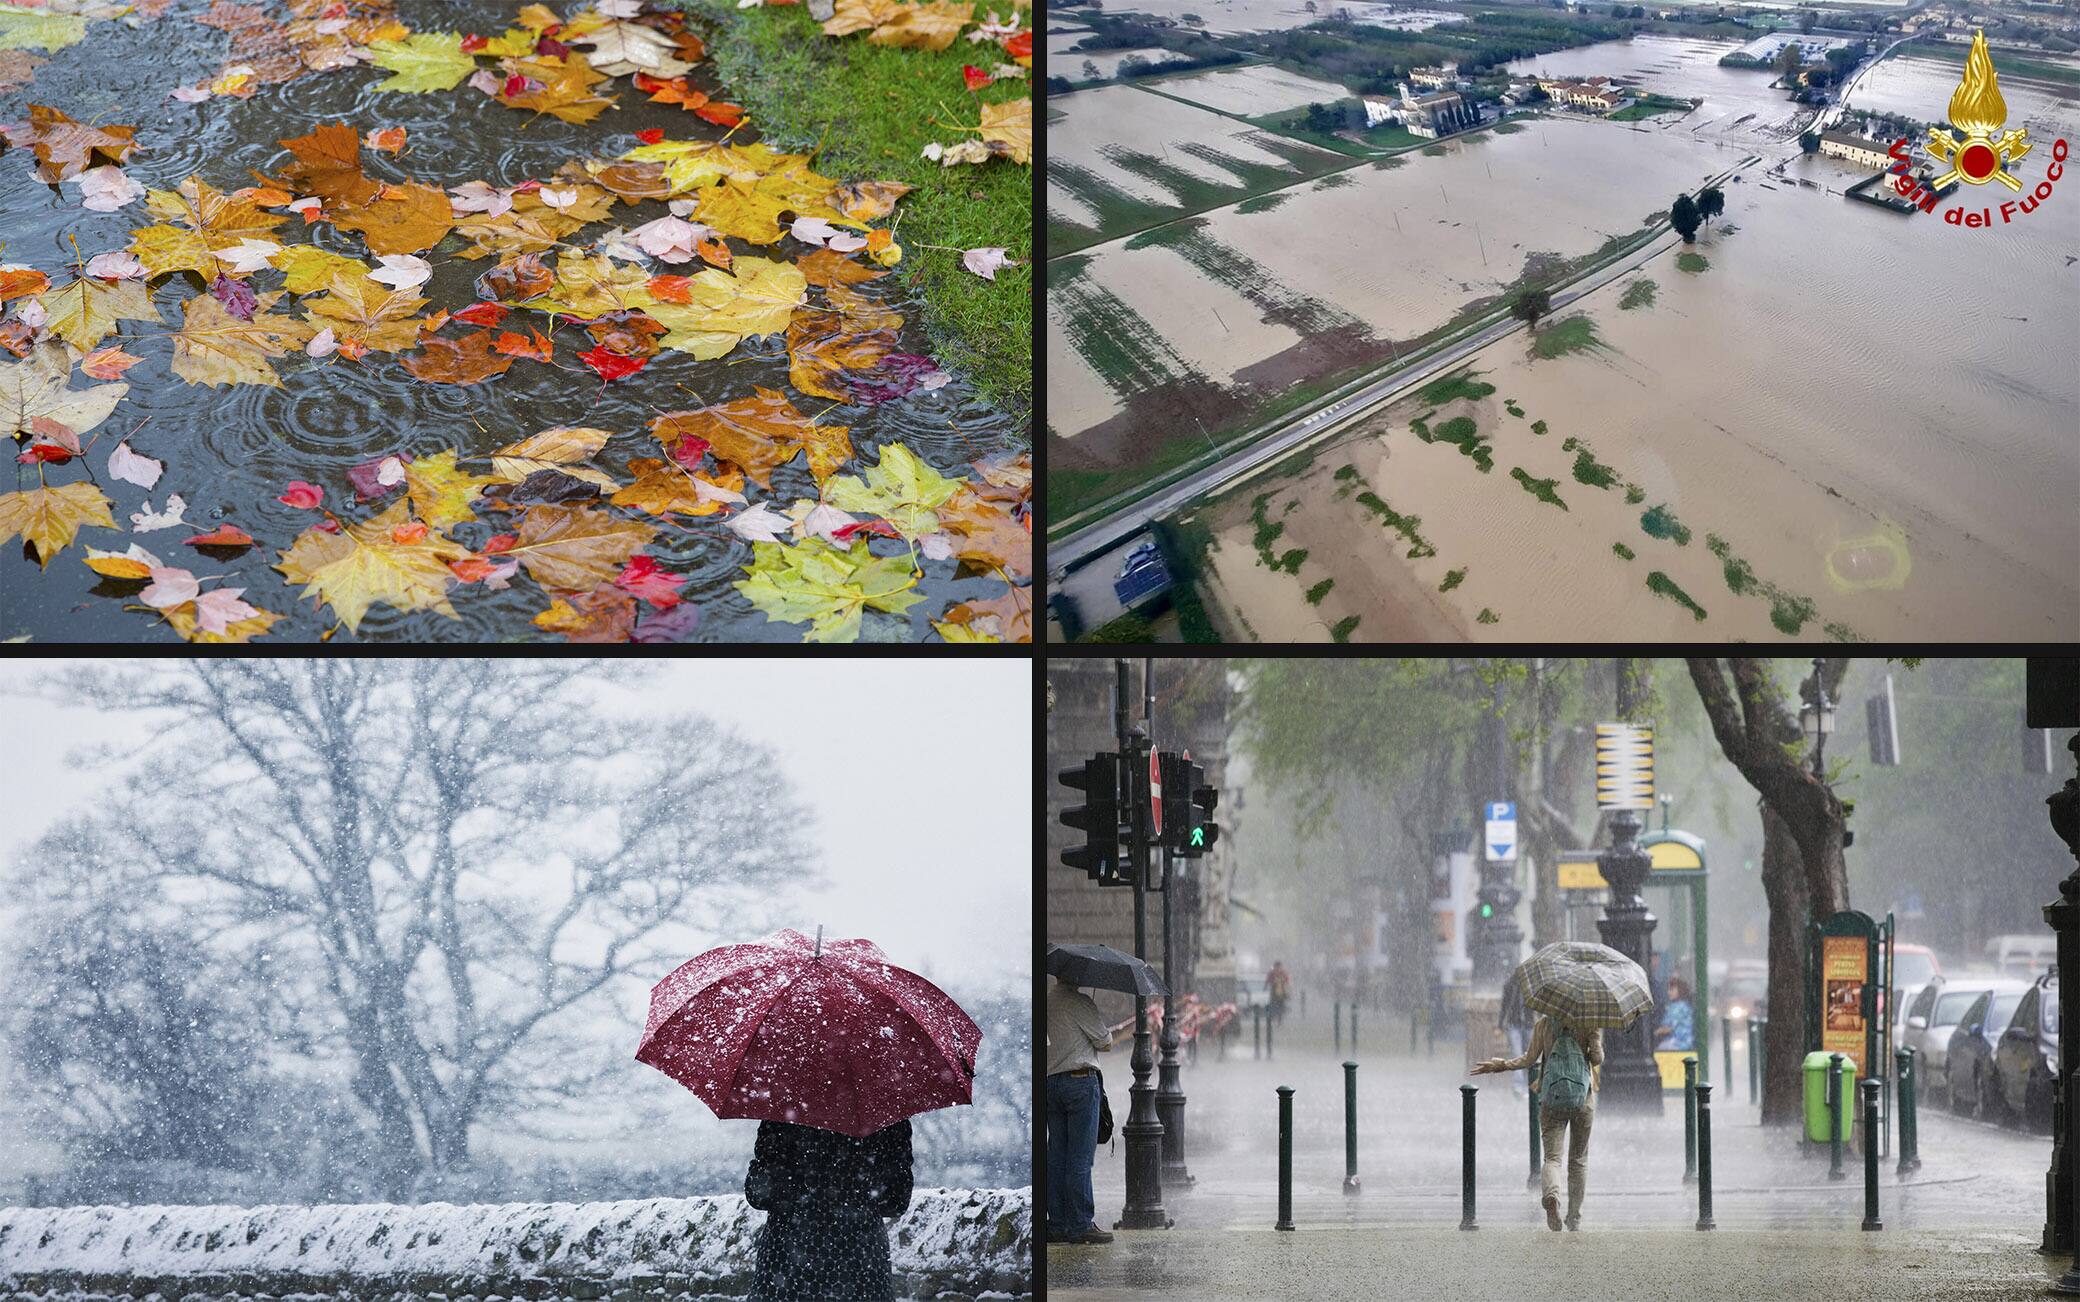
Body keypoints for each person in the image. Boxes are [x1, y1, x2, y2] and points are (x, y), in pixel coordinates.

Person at [744, 1117, 913, 1301]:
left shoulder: (783, 1111)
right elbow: (896, 1202)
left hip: (787, 1267)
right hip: (862, 1267)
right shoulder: (884, 1114)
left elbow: (759, 1196)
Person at [1473, 1014, 1603, 1231]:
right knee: (1578, 1160)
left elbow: (1530, 1059)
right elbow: (1597, 1059)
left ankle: (1552, 1195)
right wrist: (1594, 1037)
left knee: (1552, 1158)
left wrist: (1501, 1065)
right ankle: (1574, 1218)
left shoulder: (1544, 1023)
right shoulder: (1588, 1021)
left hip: (1552, 1098)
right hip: (1583, 1098)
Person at [1046, 975, 1129, 1244]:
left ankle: (1057, 1223)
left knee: (1057, 1156)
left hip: (1051, 1083)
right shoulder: (1079, 1002)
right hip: (1080, 1082)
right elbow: (1105, 1042)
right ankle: (1080, 1224)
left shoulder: (1047, 1001)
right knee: (1080, 1158)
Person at [1657, 975, 1695, 1051]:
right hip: (1685, 1042)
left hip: (1678, 1044)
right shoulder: (1684, 1006)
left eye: (1671, 990)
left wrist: (1654, 1033)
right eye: (1668, 990)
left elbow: (1668, 1028)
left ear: (1680, 990)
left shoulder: (1678, 1008)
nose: (1668, 992)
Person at [1267, 961, 1292, 1026]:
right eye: (1276, 967)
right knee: (1274, 1006)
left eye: (1279, 967)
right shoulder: (1272, 973)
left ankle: (1279, 1020)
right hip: (1274, 992)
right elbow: (1268, 981)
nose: (1278, 968)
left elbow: (1287, 982)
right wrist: (1273, 982)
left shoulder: (1283, 973)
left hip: (1282, 993)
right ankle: (1275, 1018)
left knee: (1280, 1006)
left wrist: (1286, 988)